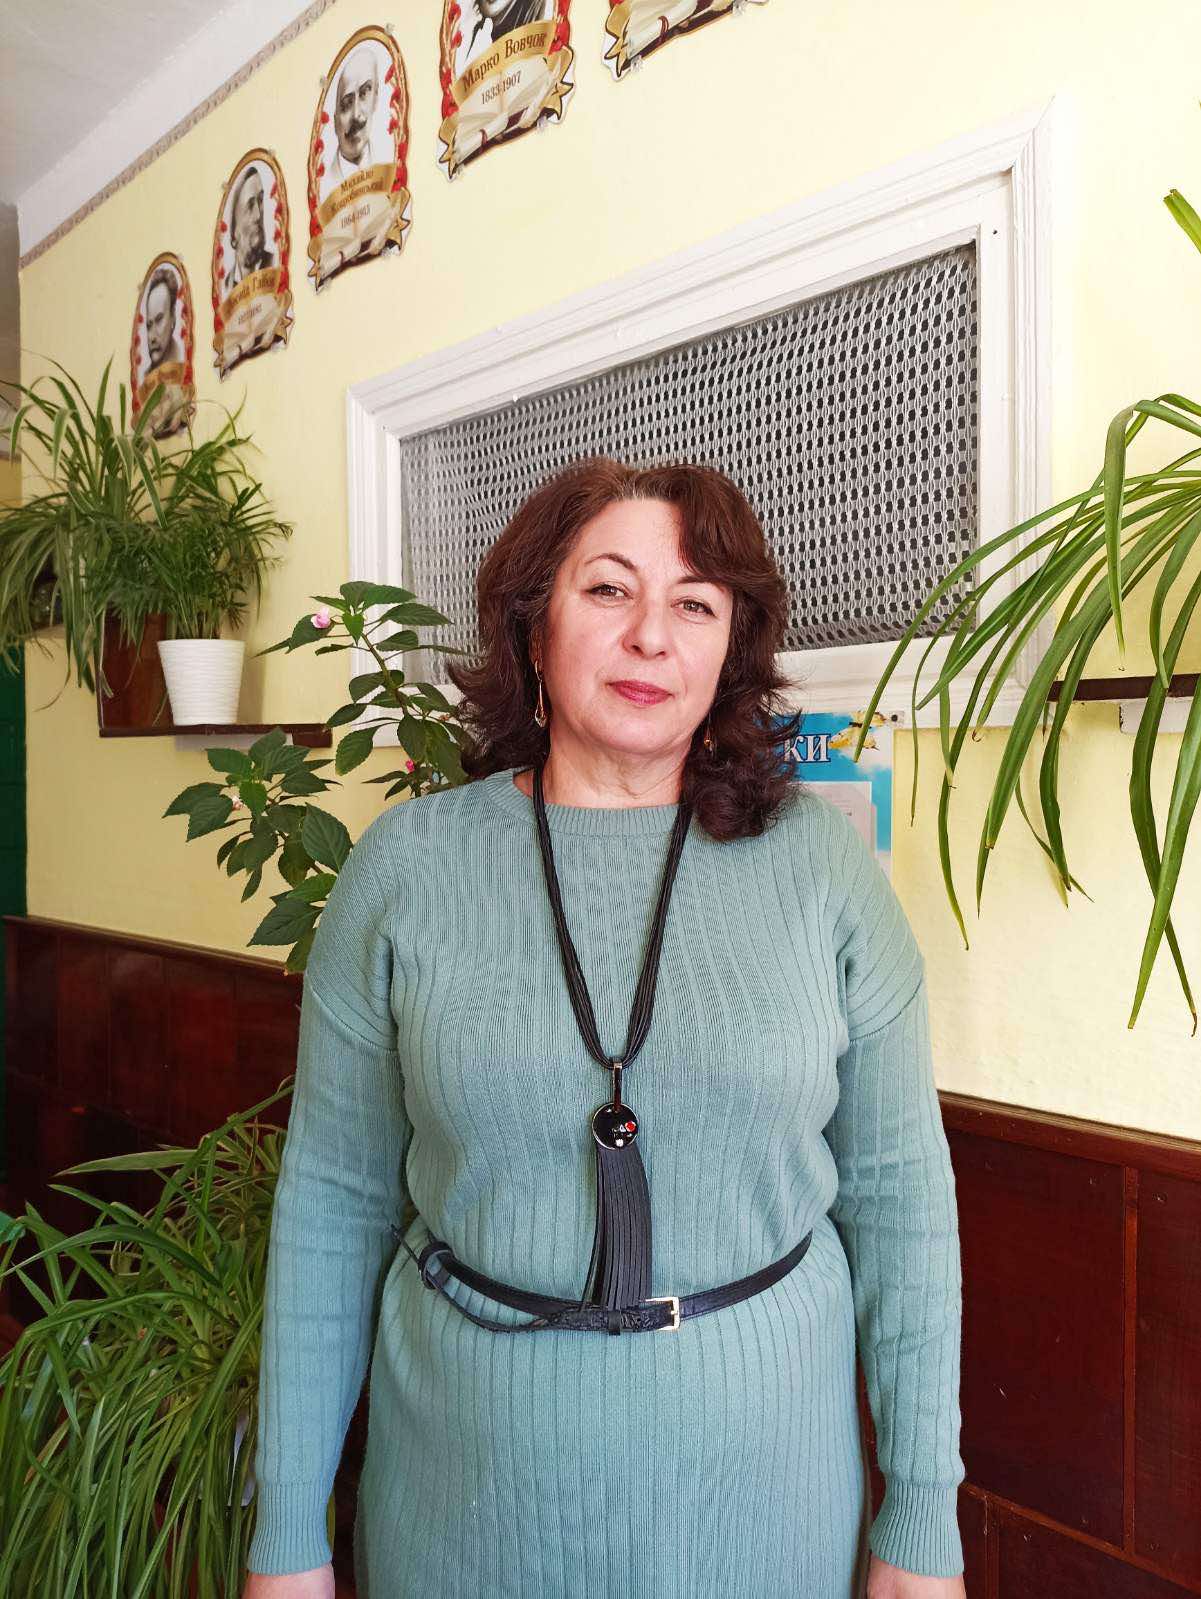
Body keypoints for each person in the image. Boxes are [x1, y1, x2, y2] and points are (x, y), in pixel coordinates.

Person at [241, 457, 967, 1599]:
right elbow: (333, 1200)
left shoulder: (821, 869)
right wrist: (287, 1533)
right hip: (463, 1504)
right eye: (608, 589)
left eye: (694, 604)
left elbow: (898, 1196)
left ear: (730, 649)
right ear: (533, 628)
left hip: (764, 1502)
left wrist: (921, 1522)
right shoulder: (405, 871)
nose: (650, 637)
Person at [321, 46, 380, 202]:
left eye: (364, 93)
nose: (356, 114)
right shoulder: (326, 187)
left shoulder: (385, 159)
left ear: (376, 97)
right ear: (335, 121)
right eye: (346, 104)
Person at [224, 165, 274, 293]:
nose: (258, 215)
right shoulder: (226, 285)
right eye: (250, 205)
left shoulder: (274, 264)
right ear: (234, 224)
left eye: (260, 200)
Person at [143, 267, 182, 371]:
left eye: (159, 320)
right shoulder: (145, 377)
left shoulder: (182, 365)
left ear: (173, 317)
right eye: (149, 325)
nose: (152, 337)